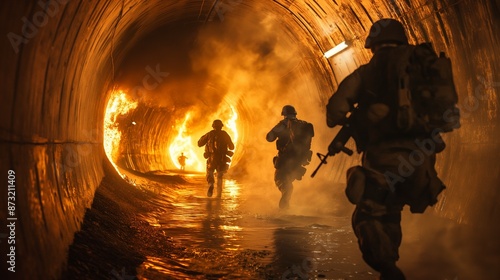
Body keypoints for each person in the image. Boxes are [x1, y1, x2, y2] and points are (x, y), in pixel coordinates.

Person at [325, 18, 450, 280]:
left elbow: (335, 110)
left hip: (384, 159)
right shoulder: (423, 66)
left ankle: (388, 268)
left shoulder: (367, 72)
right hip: (424, 159)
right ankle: (392, 263)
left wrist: (356, 121)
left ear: (373, 44)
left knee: (368, 214)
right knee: (392, 211)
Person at [266, 105, 314, 209]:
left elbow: (269, 137)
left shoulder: (283, 125)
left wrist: (279, 130)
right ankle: (288, 210)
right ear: (295, 114)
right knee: (288, 185)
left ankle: (284, 213)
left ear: (284, 114)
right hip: (297, 162)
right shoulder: (303, 124)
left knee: (282, 183)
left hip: (284, 161)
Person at [198, 119, 234, 198]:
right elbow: (231, 147)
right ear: (221, 126)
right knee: (220, 175)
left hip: (211, 158)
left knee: (210, 172)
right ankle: (218, 194)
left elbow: (199, 143)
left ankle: (211, 184)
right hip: (222, 158)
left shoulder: (210, 134)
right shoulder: (225, 134)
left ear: (213, 126)